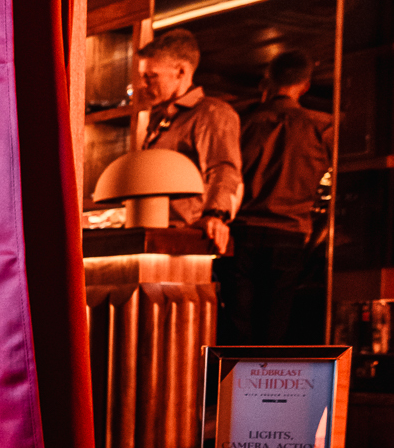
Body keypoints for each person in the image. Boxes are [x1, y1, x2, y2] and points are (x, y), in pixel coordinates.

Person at [221, 49, 332, 345]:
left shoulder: (241, 124)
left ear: (267, 81)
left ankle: (234, 375)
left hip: (240, 234)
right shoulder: (323, 127)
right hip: (290, 233)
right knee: (274, 328)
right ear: (305, 86)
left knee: (237, 329)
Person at [135, 28, 243, 252]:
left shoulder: (210, 113)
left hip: (187, 238)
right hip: (156, 235)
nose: (143, 84)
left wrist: (215, 216)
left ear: (181, 71)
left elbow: (223, 169)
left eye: (151, 76)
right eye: (142, 77)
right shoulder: (159, 118)